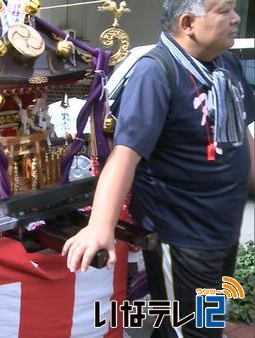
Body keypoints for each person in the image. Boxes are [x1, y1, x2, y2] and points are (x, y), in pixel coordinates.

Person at [63, 1, 255, 337]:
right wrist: (100, 226)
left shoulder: (226, 66)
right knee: (191, 331)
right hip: (182, 236)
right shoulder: (156, 72)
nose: (236, 18)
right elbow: (125, 154)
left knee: (200, 326)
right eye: (224, 11)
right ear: (188, 23)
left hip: (222, 231)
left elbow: (242, 135)